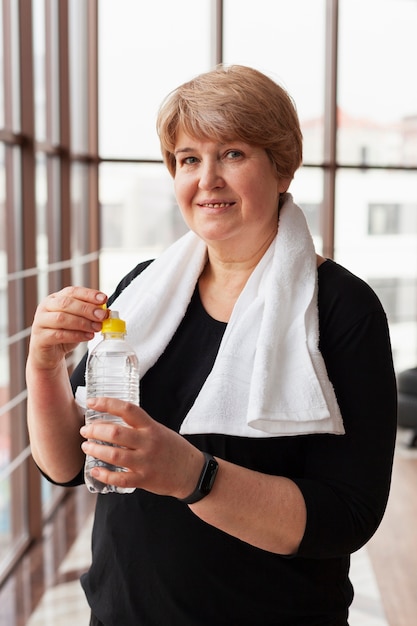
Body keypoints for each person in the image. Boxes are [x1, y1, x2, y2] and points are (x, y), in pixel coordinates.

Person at [26, 65, 397, 626]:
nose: (207, 180)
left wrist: (192, 476)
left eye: (232, 154)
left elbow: (347, 516)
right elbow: (70, 465)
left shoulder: (344, 309)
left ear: (283, 167)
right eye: (189, 159)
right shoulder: (144, 289)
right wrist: (43, 365)